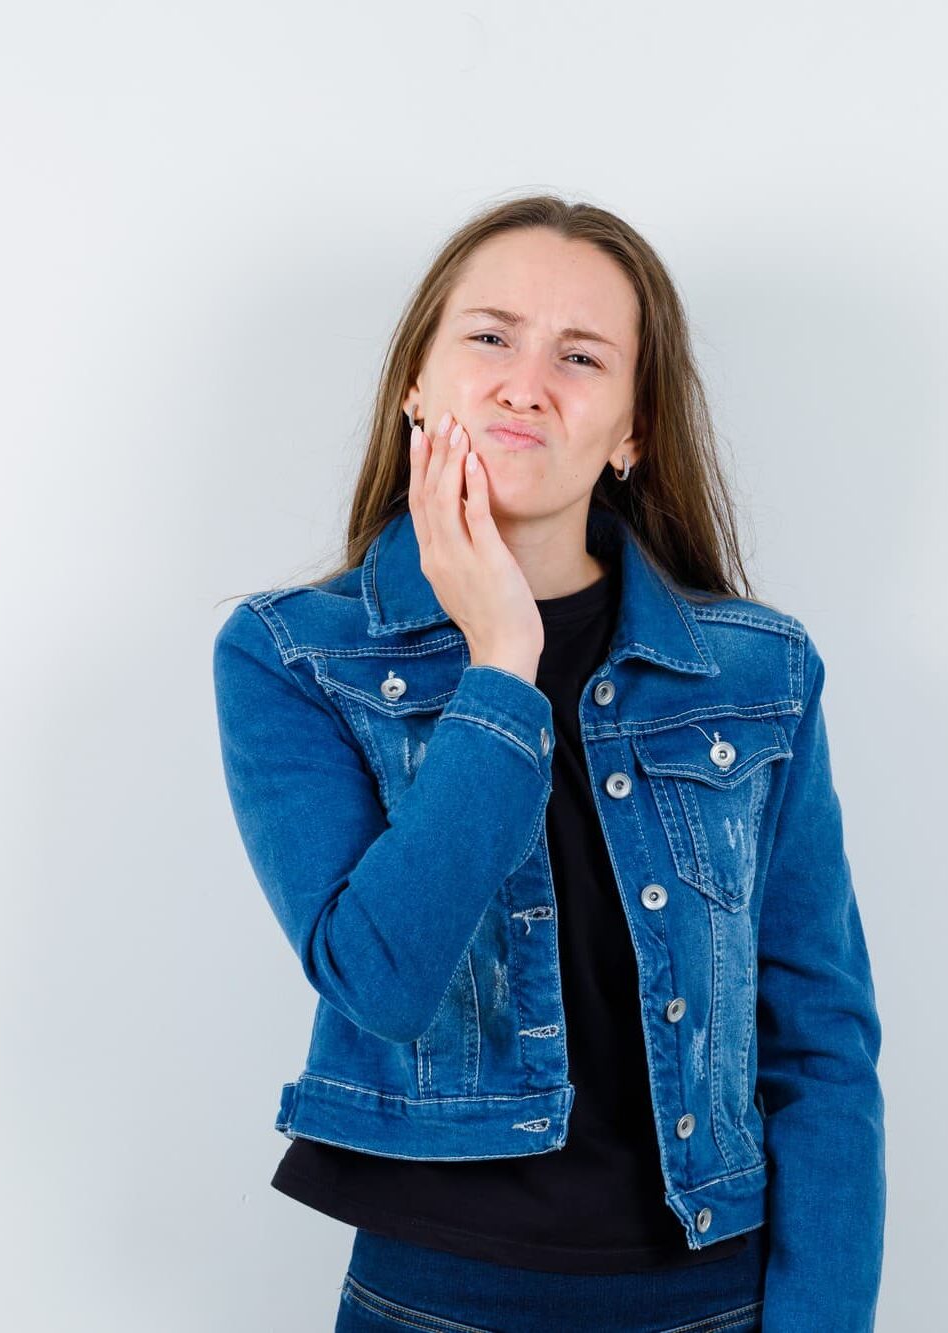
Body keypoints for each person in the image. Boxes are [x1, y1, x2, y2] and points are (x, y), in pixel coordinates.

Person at [212, 194, 886, 1332]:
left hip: (710, 1296)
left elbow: (818, 1037)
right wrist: (501, 668)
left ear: (631, 432)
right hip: (433, 1298)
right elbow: (380, 976)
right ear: (417, 386)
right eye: (489, 337)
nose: (527, 382)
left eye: (581, 356)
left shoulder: (756, 673)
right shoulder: (294, 656)